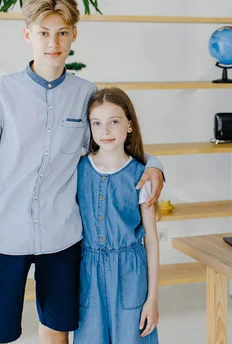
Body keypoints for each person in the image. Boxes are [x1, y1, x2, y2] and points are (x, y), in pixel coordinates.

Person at [0, 0, 165, 344]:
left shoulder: (86, 93)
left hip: (62, 238)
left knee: (57, 330)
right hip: (4, 234)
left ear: (73, 35)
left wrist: (155, 167)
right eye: (43, 32)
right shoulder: (0, 93)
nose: (53, 43)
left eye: (62, 32)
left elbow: (110, 148)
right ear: (27, 35)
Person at [74, 87, 159, 343]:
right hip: (87, 272)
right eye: (96, 123)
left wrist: (152, 299)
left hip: (131, 274)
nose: (105, 131)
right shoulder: (77, 170)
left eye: (114, 122)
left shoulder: (142, 175)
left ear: (129, 125)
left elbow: (152, 240)